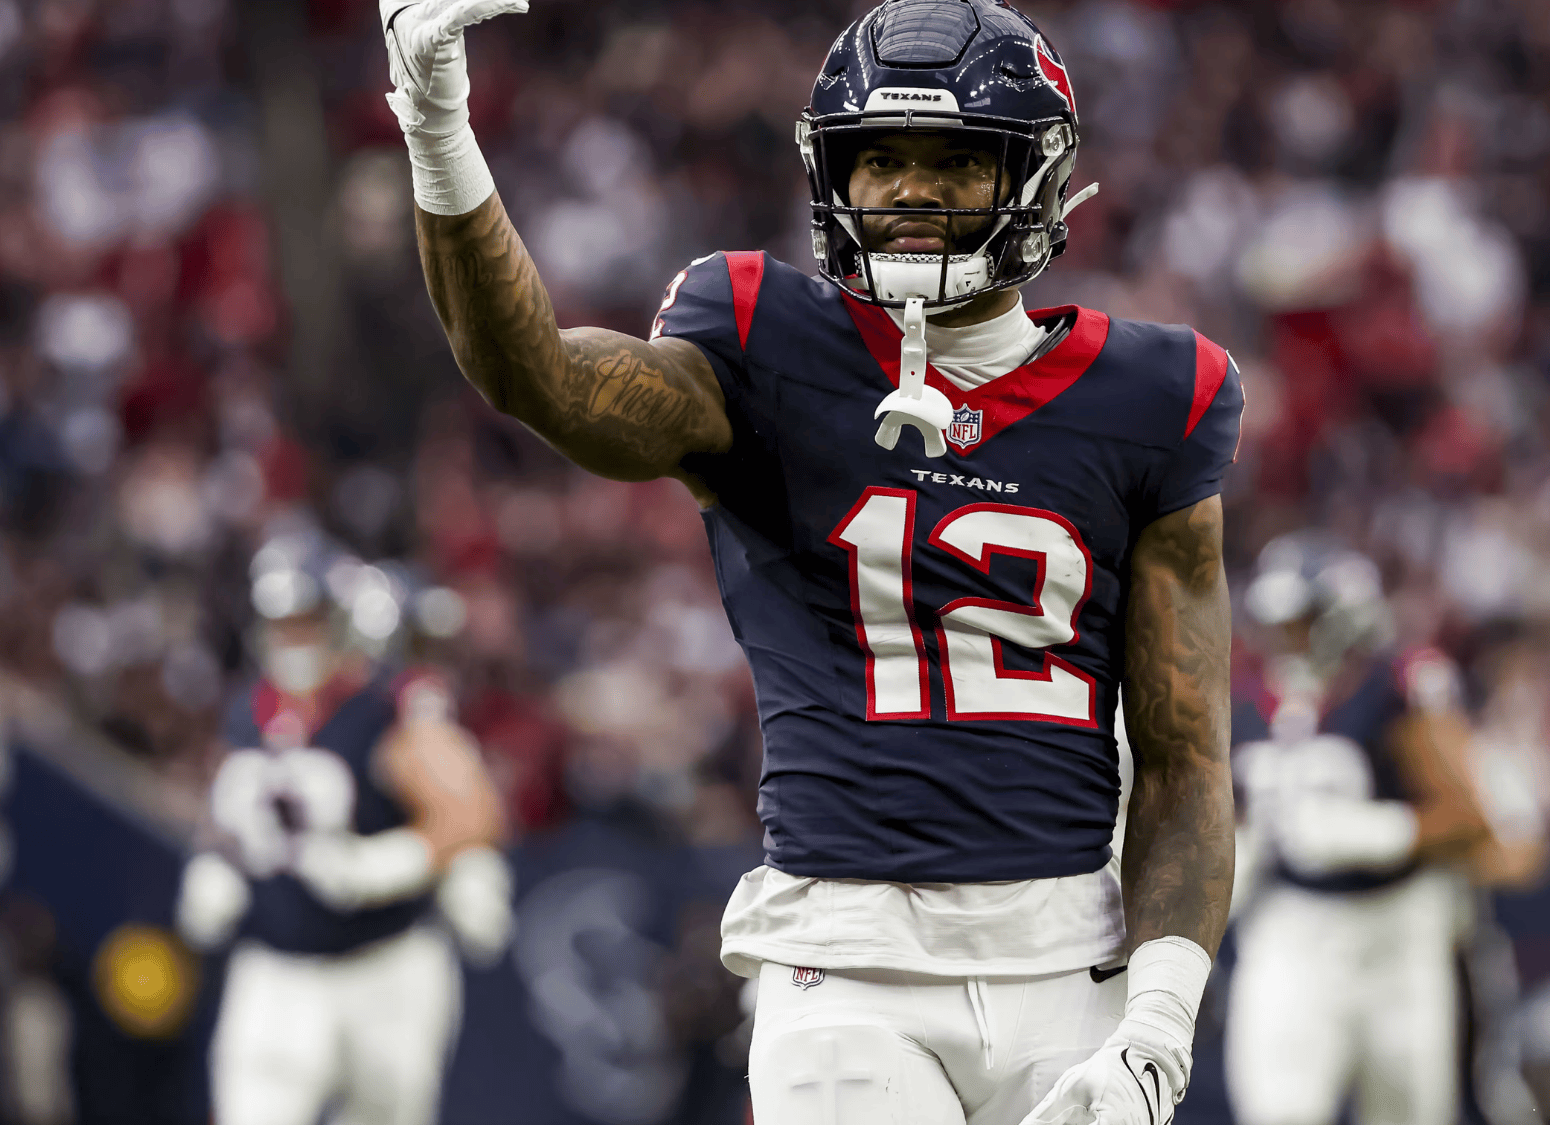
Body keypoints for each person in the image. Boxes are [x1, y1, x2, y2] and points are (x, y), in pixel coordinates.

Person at [379, 0, 1244, 1121]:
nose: (910, 190)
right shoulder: (763, 339)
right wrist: (438, 127)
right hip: (844, 961)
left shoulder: (1155, 397)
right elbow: (539, 378)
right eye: (879, 159)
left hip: (1075, 962)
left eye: (954, 161)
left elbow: (1183, 758)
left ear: (1035, 175)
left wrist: (1158, 1025)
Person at [174, 533, 512, 1125]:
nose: (294, 637)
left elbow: (475, 810)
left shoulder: (384, 707)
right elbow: (231, 814)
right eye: (283, 622)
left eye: (308, 619)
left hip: (381, 966)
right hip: (275, 969)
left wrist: (399, 860)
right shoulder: (247, 711)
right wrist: (215, 860)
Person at [1224, 533, 1491, 1125]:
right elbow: (1229, 817)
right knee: (1280, 1110)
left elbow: (1474, 819)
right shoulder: (1243, 699)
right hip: (1291, 930)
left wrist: (1385, 832)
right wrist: (1230, 861)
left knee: (1408, 1112)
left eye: (1300, 620)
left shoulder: (1395, 688)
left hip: (1396, 930)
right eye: (1277, 622)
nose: (1285, 637)